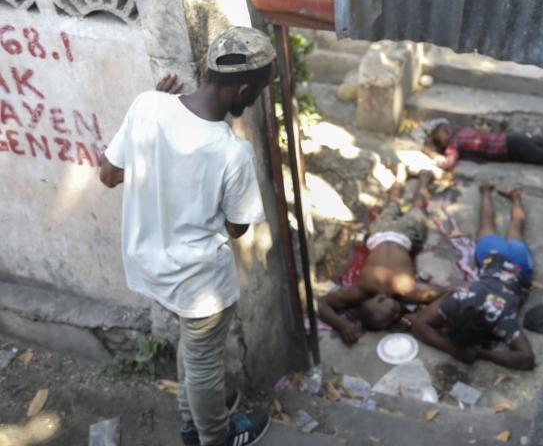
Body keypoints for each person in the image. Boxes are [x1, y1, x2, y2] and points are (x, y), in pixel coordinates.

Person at [99, 26, 277, 446]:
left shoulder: (148, 106)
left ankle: (195, 415)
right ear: (244, 88)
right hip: (200, 280)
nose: (257, 99)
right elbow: (236, 229)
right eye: (260, 91)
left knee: (196, 353)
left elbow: (108, 175)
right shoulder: (231, 152)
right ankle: (213, 437)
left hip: (152, 265)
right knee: (202, 361)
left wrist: (153, 147)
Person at [412, 183, 535, 371]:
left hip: (515, 266)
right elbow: (525, 358)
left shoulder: (502, 320)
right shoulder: (460, 297)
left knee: (507, 228)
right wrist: (463, 350)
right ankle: (504, 194)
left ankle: (492, 192)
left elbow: (527, 360)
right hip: (494, 259)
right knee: (503, 227)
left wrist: (477, 353)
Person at [315, 169, 445, 343]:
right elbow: (321, 303)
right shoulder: (360, 289)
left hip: (405, 235)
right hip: (379, 233)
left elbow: (447, 294)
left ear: (382, 299)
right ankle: (403, 177)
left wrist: (343, 325)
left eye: (394, 313)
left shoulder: (405, 290)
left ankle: (422, 179)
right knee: (392, 205)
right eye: (397, 316)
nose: (398, 314)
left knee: (418, 207)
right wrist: (341, 324)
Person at [428, 121, 543, 171]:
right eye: (443, 134)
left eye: (445, 131)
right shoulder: (462, 130)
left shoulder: (454, 143)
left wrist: (433, 156)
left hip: (512, 148)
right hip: (512, 139)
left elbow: (448, 164)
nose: (447, 134)